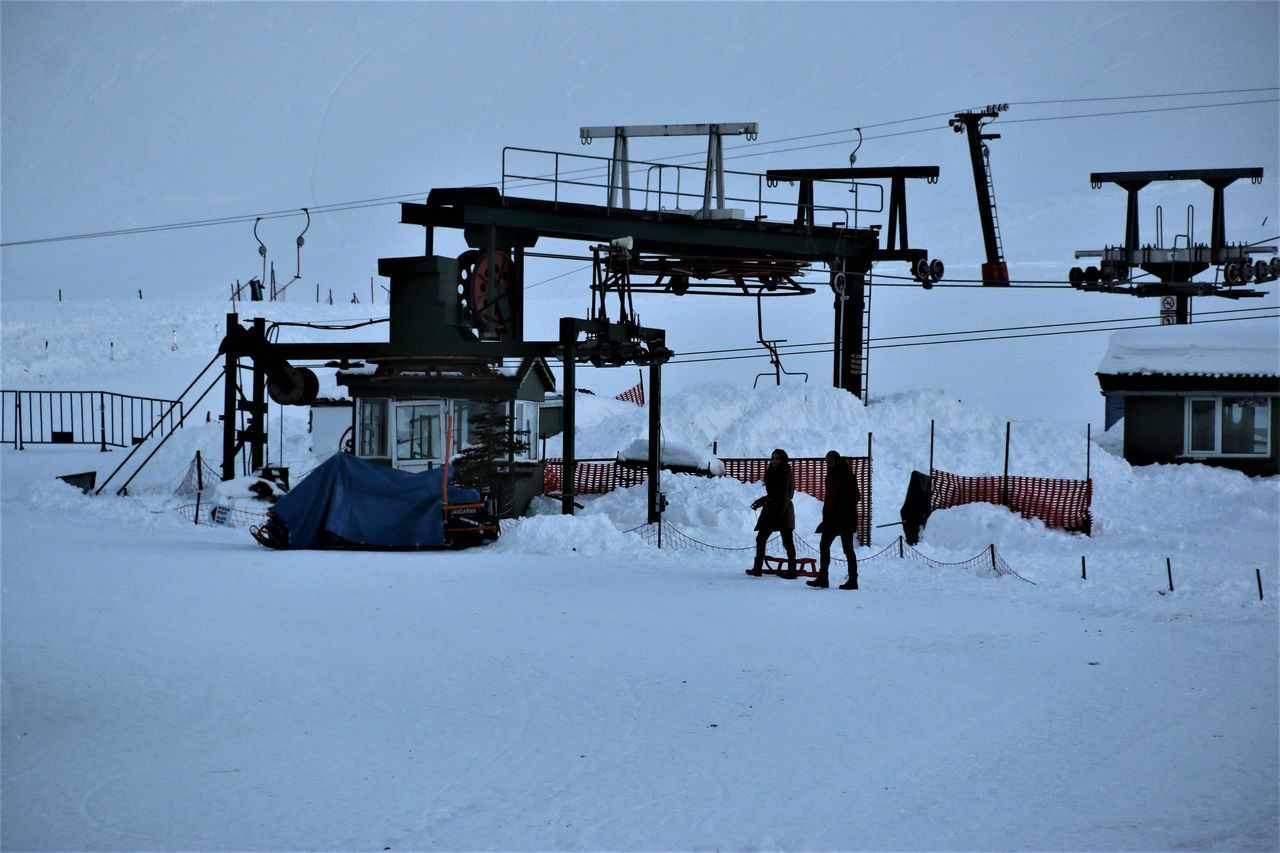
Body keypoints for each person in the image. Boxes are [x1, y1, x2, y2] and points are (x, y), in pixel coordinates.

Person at [808, 450, 860, 590]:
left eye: (830, 462)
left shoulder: (847, 475)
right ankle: (823, 578)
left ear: (837, 460)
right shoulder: (830, 475)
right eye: (826, 462)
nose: (828, 464)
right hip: (831, 518)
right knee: (824, 545)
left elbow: (856, 496)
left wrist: (843, 508)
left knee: (848, 549)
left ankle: (853, 580)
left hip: (845, 518)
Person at [746, 448, 798, 579]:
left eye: (777, 458)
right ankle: (757, 568)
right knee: (761, 538)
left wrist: (779, 511)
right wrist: (761, 502)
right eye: (773, 458)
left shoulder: (786, 473)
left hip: (783, 510)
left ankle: (792, 571)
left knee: (787, 542)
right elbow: (772, 495)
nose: (774, 460)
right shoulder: (770, 471)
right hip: (770, 510)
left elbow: (787, 495)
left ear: (783, 460)